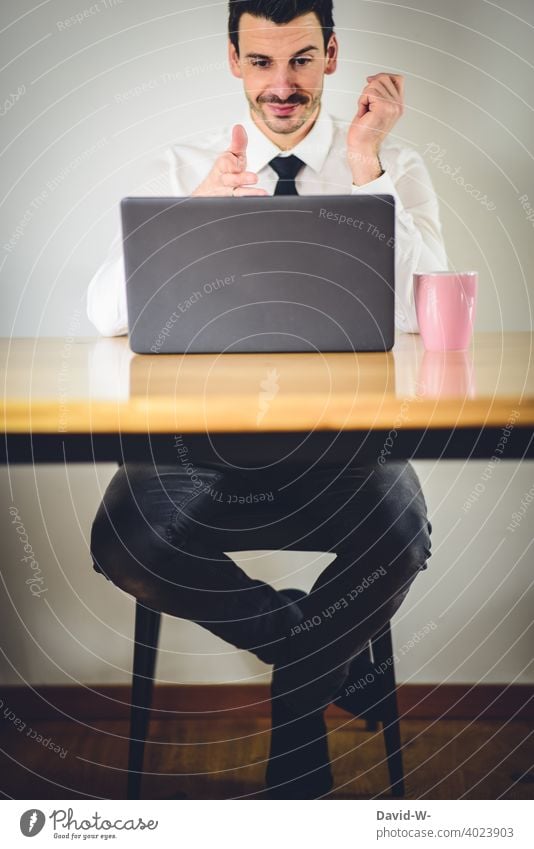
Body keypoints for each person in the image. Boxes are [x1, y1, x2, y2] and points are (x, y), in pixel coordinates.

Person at [89, 0, 442, 799]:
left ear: (332, 54)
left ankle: (293, 704)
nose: (281, 85)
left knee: (400, 531)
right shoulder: (183, 168)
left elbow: (430, 317)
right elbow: (105, 313)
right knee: (125, 536)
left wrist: (363, 164)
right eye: (260, 62)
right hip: (194, 448)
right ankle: (319, 662)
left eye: (301, 61)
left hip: (347, 448)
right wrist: (199, 212)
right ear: (232, 60)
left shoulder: (390, 164)